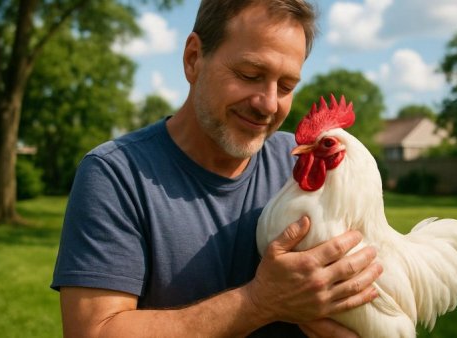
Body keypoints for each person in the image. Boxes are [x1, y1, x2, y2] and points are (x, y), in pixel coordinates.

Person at [51, 0, 383, 337]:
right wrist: (258, 303)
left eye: (286, 87)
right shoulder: (116, 174)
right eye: (250, 75)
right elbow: (92, 332)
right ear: (194, 58)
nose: (268, 103)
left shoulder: (299, 164)